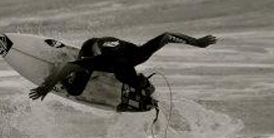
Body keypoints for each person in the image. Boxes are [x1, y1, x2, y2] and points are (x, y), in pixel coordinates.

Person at [29, 32, 217, 101]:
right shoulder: (104, 62)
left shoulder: (138, 55)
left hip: (113, 52)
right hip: (90, 47)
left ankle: (138, 84)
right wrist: (46, 87)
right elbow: (69, 66)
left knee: (132, 80)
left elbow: (166, 36)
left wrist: (197, 42)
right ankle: (61, 79)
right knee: (76, 90)